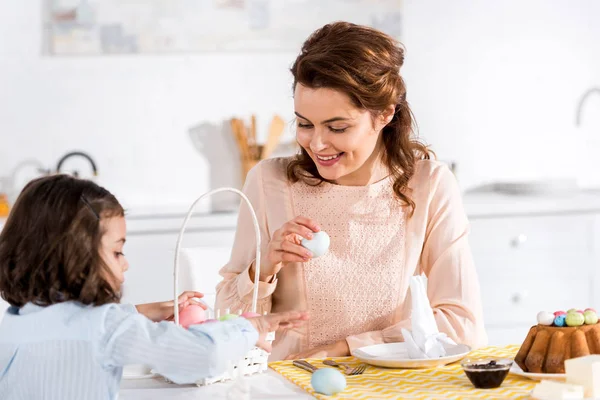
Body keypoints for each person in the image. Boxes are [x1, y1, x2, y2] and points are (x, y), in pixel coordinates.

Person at [216, 21, 487, 361]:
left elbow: (462, 324)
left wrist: (348, 348)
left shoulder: (428, 185)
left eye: (338, 127)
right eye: (304, 124)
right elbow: (222, 327)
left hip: (392, 386)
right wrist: (264, 267)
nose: (317, 143)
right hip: (293, 384)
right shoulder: (270, 182)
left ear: (385, 114)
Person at [0, 175, 308, 399]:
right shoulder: (108, 329)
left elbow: (72, 325)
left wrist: (142, 312)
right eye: (118, 251)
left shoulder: (16, 320)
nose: (126, 264)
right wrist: (251, 328)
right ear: (75, 256)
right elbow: (201, 356)